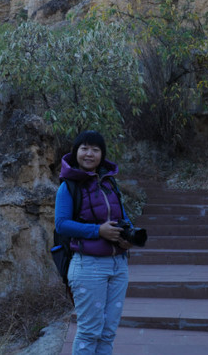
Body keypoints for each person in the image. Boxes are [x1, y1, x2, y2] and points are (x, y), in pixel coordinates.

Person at [55, 130, 132, 355]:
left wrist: (128, 237)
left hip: (118, 265)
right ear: (76, 152)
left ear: (102, 154)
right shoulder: (68, 186)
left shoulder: (110, 184)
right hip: (88, 265)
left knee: (108, 332)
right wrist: (98, 230)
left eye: (95, 150)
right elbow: (61, 224)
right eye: (84, 148)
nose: (89, 154)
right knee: (90, 332)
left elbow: (123, 218)